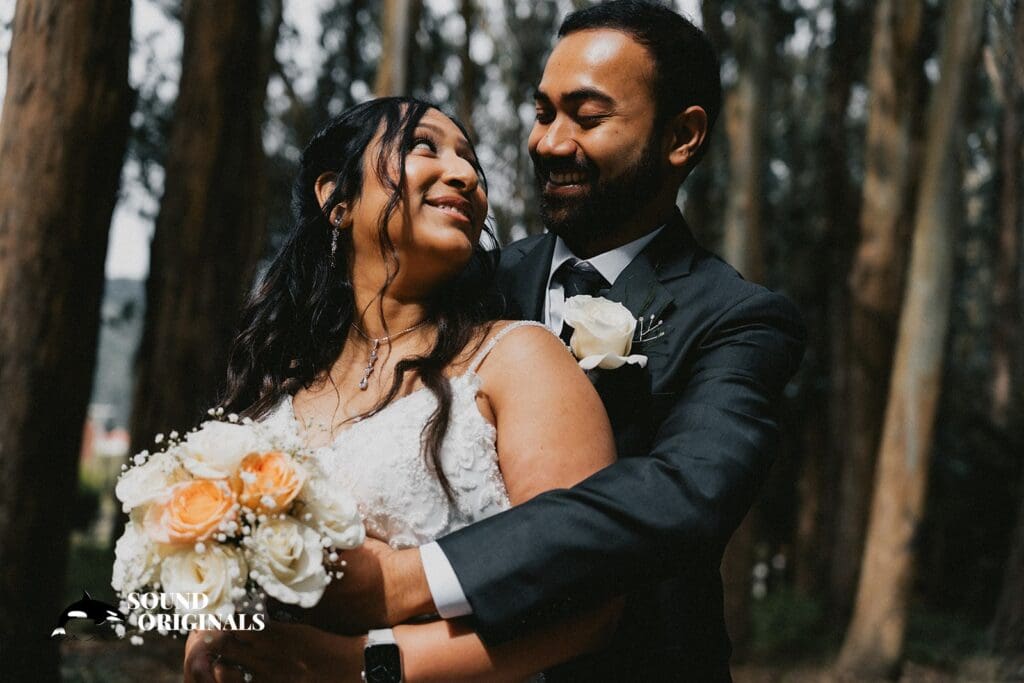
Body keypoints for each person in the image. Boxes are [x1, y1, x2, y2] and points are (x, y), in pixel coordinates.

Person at [274, 2, 806, 681]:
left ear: (682, 136)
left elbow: (682, 494)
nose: (549, 143)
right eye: (542, 112)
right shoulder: (467, 281)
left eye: (586, 117)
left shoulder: (738, 318)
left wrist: (406, 580)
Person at [184, 97, 625, 681]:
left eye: (471, 162)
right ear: (335, 199)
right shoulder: (274, 390)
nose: (467, 175)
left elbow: (589, 600)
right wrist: (207, 635)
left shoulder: (517, 358)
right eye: (424, 146)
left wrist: (364, 667)